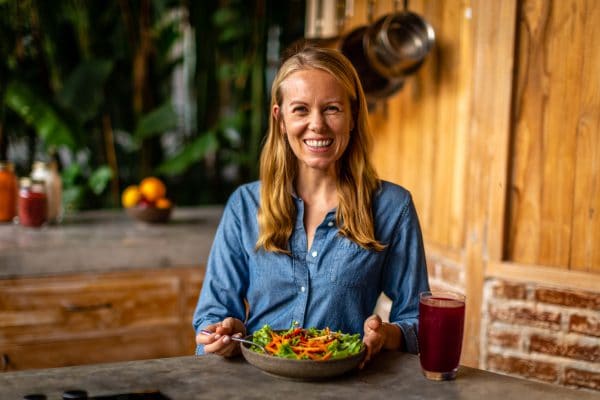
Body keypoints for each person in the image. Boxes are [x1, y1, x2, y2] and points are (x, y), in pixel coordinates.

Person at [193, 45, 429, 365]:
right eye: (301, 109)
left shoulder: (392, 207)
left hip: (346, 385)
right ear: (280, 119)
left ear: (353, 116)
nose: (317, 124)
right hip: (257, 382)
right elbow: (213, 313)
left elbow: (417, 321)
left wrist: (388, 335)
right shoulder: (245, 205)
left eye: (331, 108)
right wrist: (225, 333)